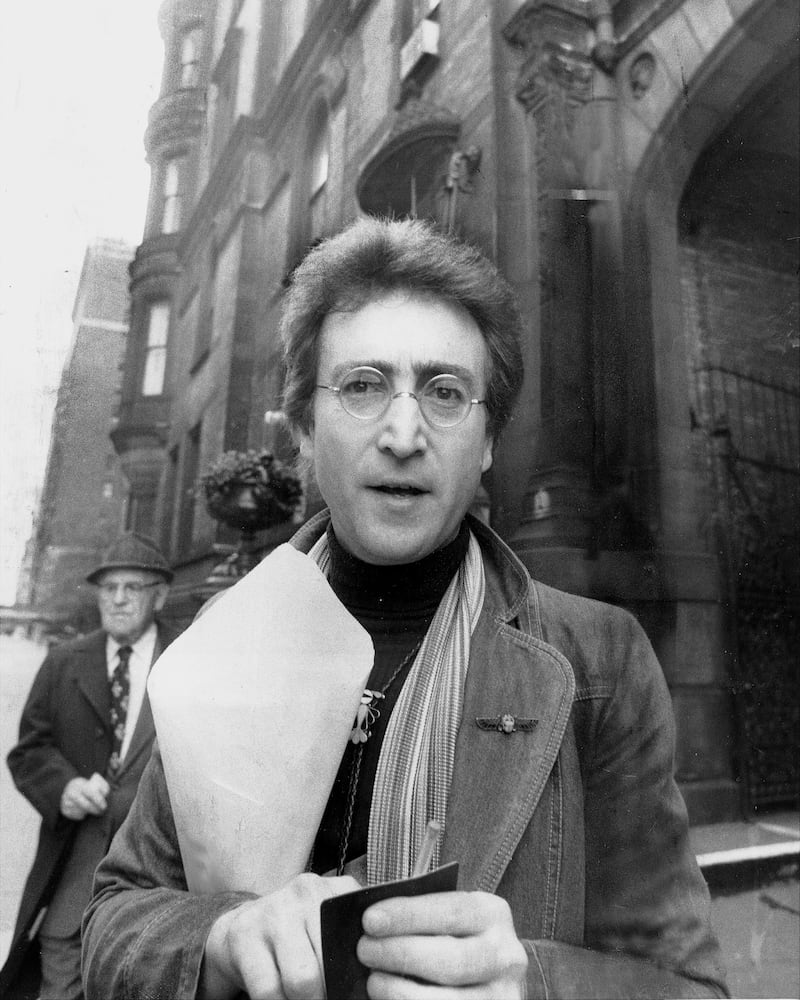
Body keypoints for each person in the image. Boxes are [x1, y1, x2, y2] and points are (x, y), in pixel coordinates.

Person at [82, 218, 728, 999]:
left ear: (488, 440)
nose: (402, 431)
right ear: (305, 430)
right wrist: (219, 936)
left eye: (445, 392)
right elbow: (113, 919)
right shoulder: (223, 643)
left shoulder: (599, 660)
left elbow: (691, 988)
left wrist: (533, 984)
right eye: (362, 386)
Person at [3, 533, 177, 1000]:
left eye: (132, 588)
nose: (118, 599)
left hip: (156, 882)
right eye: (109, 588)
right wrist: (63, 788)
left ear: (158, 595)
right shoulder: (63, 662)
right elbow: (29, 751)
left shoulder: (186, 660)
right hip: (73, 872)